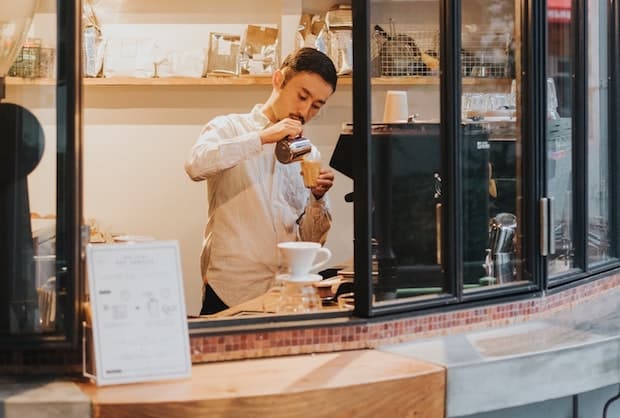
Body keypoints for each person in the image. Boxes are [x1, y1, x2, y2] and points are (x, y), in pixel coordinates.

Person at [185, 47, 338, 315]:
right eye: (302, 96)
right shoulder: (229, 128)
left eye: (317, 105)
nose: (304, 111)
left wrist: (317, 198)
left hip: (286, 293)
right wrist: (263, 138)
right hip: (230, 290)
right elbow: (196, 165)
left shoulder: (308, 153)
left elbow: (312, 242)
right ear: (278, 80)